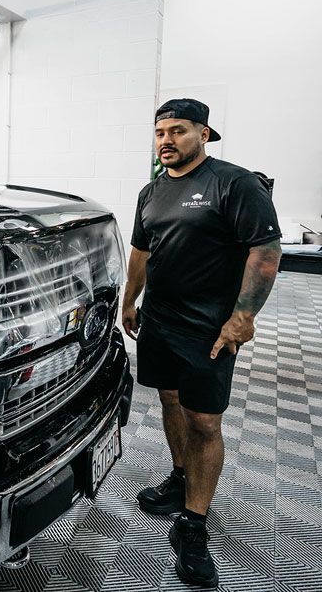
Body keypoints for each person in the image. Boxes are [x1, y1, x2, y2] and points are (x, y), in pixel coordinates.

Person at [122, 98, 281, 587]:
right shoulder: (151, 192)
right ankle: (178, 477)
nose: (166, 140)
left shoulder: (234, 183)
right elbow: (142, 251)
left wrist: (243, 317)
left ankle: (193, 526)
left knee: (205, 421)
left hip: (208, 328)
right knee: (169, 400)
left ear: (204, 135)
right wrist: (130, 300)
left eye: (178, 131)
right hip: (161, 321)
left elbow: (266, 249)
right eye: (160, 132)